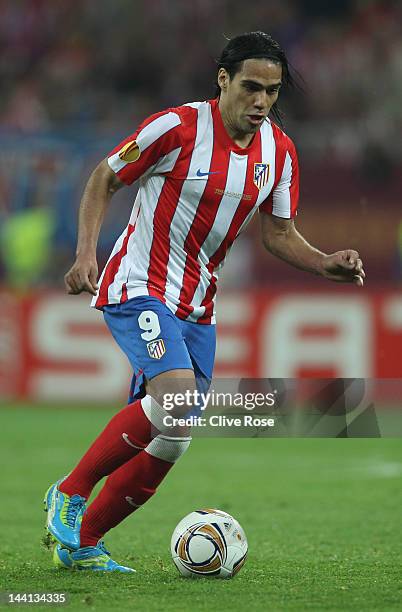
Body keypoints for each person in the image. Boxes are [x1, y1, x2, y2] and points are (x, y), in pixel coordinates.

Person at [44, 31, 365, 572]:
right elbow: (105, 177)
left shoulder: (280, 152)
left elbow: (280, 234)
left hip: (198, 303)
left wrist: (325, 261)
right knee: (176, 398)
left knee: (175, 433)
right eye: (251, 87)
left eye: (273, 91)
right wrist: (84, 255)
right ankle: (70, 492)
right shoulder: (176, 127)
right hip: (139, 281)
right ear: (224, 80)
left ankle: (84, 544)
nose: (262, 102)